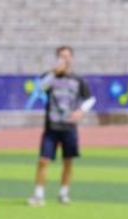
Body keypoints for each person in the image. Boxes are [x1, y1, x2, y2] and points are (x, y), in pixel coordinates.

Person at [28, 46, 94, 206]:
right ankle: (39, 194)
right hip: (52, 125)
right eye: (61, 57)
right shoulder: (50, 77)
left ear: (72, 58)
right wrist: (53, 73)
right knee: (43, 160)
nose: (64, 60)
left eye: (67, 57)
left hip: (69, 126)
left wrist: (80, 112)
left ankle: (64, 193)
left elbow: (90, 99)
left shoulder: (77, 79)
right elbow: (41, 87)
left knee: (68, 161)